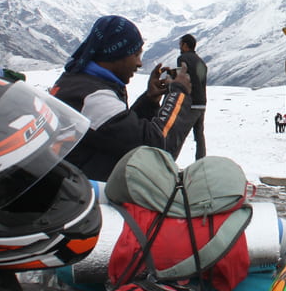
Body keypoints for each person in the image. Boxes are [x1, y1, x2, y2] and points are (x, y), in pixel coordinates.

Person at [49, 15, 196, 180]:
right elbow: (157, 149)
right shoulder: (93, 98)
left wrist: (149, 100)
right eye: (136, 55)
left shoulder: (78, 83)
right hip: (86, 195)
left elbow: (119, 135)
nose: (139, 64)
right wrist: (179, 93)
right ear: (116, 54)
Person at [176, 33, 208, 160]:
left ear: (185, 45)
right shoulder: (201, 61)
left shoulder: (183, 58)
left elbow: (181, 77)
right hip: (202, 102)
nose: (179, 47)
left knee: (178, 133)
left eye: (180, 44)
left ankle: (169, 162)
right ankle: (201, 163)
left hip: (190, 102)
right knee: (199, 135)